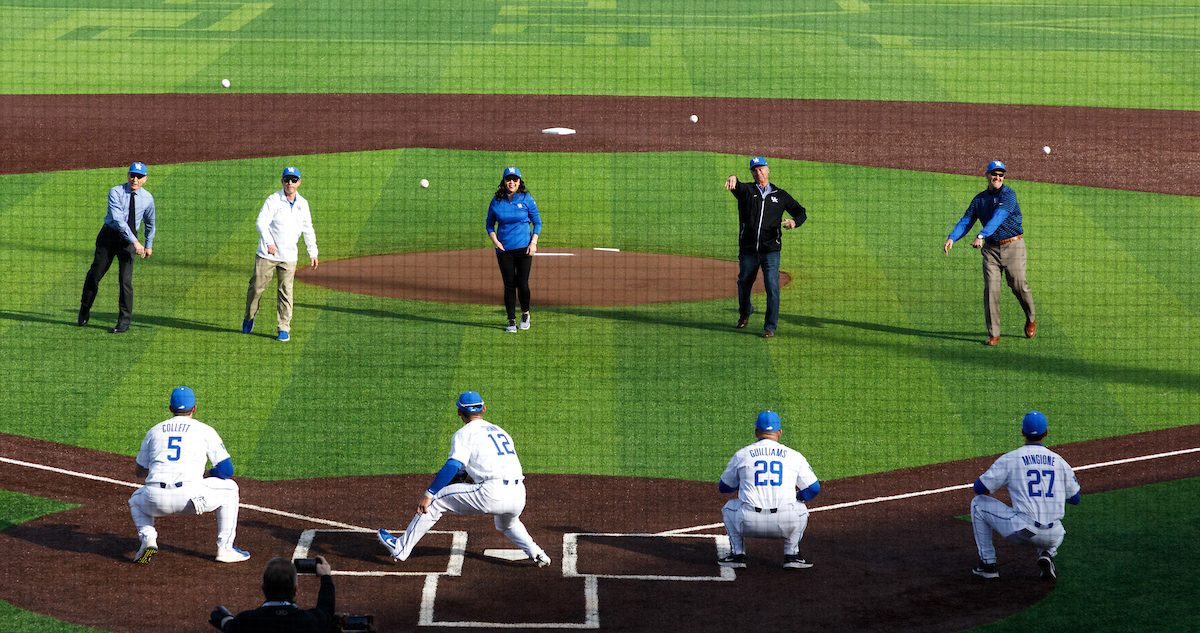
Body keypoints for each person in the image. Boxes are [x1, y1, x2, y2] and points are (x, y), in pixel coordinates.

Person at [377, 391, 551, 567]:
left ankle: (400, 547)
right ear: (483, 408)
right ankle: (537, 553)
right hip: (518, 495)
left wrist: (429, 493)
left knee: (436, 501)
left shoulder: (463, 433)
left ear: (459, 412)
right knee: (507, 525)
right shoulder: (500, 431)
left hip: (491, 494)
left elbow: (452, 466)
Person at [128, 386, 250, 564]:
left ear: (170, 408)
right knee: (231, 488)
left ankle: (148, 537)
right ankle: (225, 548)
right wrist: (207, 474)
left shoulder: (154, 431)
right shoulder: (205, 430)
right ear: (194, 408)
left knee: (135, 500)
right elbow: (226, 471)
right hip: (192, 500)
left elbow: (139, 472)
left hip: (156, 500)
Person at [970, 411, 1080, 580]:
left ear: (1022, 432)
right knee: (1049, 514)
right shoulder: (1060, 462)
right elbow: (1074, 499)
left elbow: (979, 488)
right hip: (1053, 536)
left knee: (978, 504)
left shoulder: (1011, 459)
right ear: (1046, 432)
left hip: (1024, 532)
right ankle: (1047, 554)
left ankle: (988, 564)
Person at [943, 160, 1036, 346]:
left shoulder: (1009, 194)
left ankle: (1031, 318)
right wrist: (952, 237)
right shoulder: (979, 199)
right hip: (991, 251)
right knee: (991, 291)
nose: (998, 177)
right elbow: (966, 220)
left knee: (1019, 285)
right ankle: (994, 334)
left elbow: (998, 217)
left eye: (1001, 175)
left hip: (1013, 247)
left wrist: (981, 234)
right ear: (986, 175)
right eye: (994, 174)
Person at [717, 411, 821, 569]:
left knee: (729, 507)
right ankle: (791, 555)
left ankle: (737, 555)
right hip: (785, 523)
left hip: (749, 523)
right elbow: (813, 489)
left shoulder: (742, 454)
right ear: (779, 432)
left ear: (756, 432)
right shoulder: (794, 456)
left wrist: (743, 483)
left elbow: (723, 488)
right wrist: (798, 496)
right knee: (801, 509)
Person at [724, 157, 806, 338]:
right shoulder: (746, 191)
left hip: (771, 250)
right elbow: (735, 184)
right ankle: (745, 313)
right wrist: (732, 176)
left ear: (768, 170)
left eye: (761, 169)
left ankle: (770, 326)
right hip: (748, 250)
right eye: (754, 170)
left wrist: (794, 221)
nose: (758, 172)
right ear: (751, 173)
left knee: (772, 287)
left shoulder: (780, 195)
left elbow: (801, 211)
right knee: (744, 284)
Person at [78, 161, 156, 333]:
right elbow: (119, 221)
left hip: (129, 242)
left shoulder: (147, 198)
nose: (135, 179)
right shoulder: (116, 192)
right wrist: (136, 242)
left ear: (145, 179)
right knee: (95, 275)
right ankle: (84, 309)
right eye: (132, 175)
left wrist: (148, 244)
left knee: (125, 281)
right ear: (128, 175)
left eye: (139, 177)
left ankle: (124, 322)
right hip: (109, 237)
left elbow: (150, 223)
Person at [243, 166, 319, 342]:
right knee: (255, 289)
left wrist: (312, 252)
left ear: (299, 182)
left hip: (289, 256)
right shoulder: (273, 200)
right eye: (287, 180)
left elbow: (308, 229)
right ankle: (249, 317)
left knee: (286, 291)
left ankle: (284, 327)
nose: (290, 183)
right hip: (266, 255)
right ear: (282, 181)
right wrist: (269, 242)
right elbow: (261, 222)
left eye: (293, 180)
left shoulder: (303, 204)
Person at [209, 556, 336, 633]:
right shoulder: (311, 621)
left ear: (263, 588)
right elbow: (326, 609)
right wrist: (326, 577)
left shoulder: (245, 621)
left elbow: (231, 626)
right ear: (295, 590)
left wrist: (226, 621)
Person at [486, 166, 541, 333]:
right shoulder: (496, 201)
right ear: (504, 182)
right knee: (509, 285)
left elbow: (537, 222)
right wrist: (495, 241)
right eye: (508, 179)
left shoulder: (527, 199)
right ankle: (511, 320)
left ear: (519, 181)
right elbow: (489, 224)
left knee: (522, 284)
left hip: (524, 248)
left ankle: (525, 314)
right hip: (504, 249)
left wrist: (533, 242)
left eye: (514, 179)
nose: (511, 182)